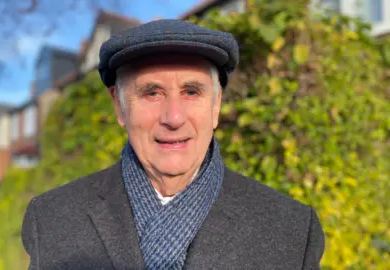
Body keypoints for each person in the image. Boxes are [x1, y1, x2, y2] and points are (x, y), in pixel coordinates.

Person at [21, 19, 325, 270]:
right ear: (119, 106)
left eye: (192, 92)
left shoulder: (291, 231)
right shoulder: (51, 220)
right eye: (152, 92)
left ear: (216, 105)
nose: (174, 117)